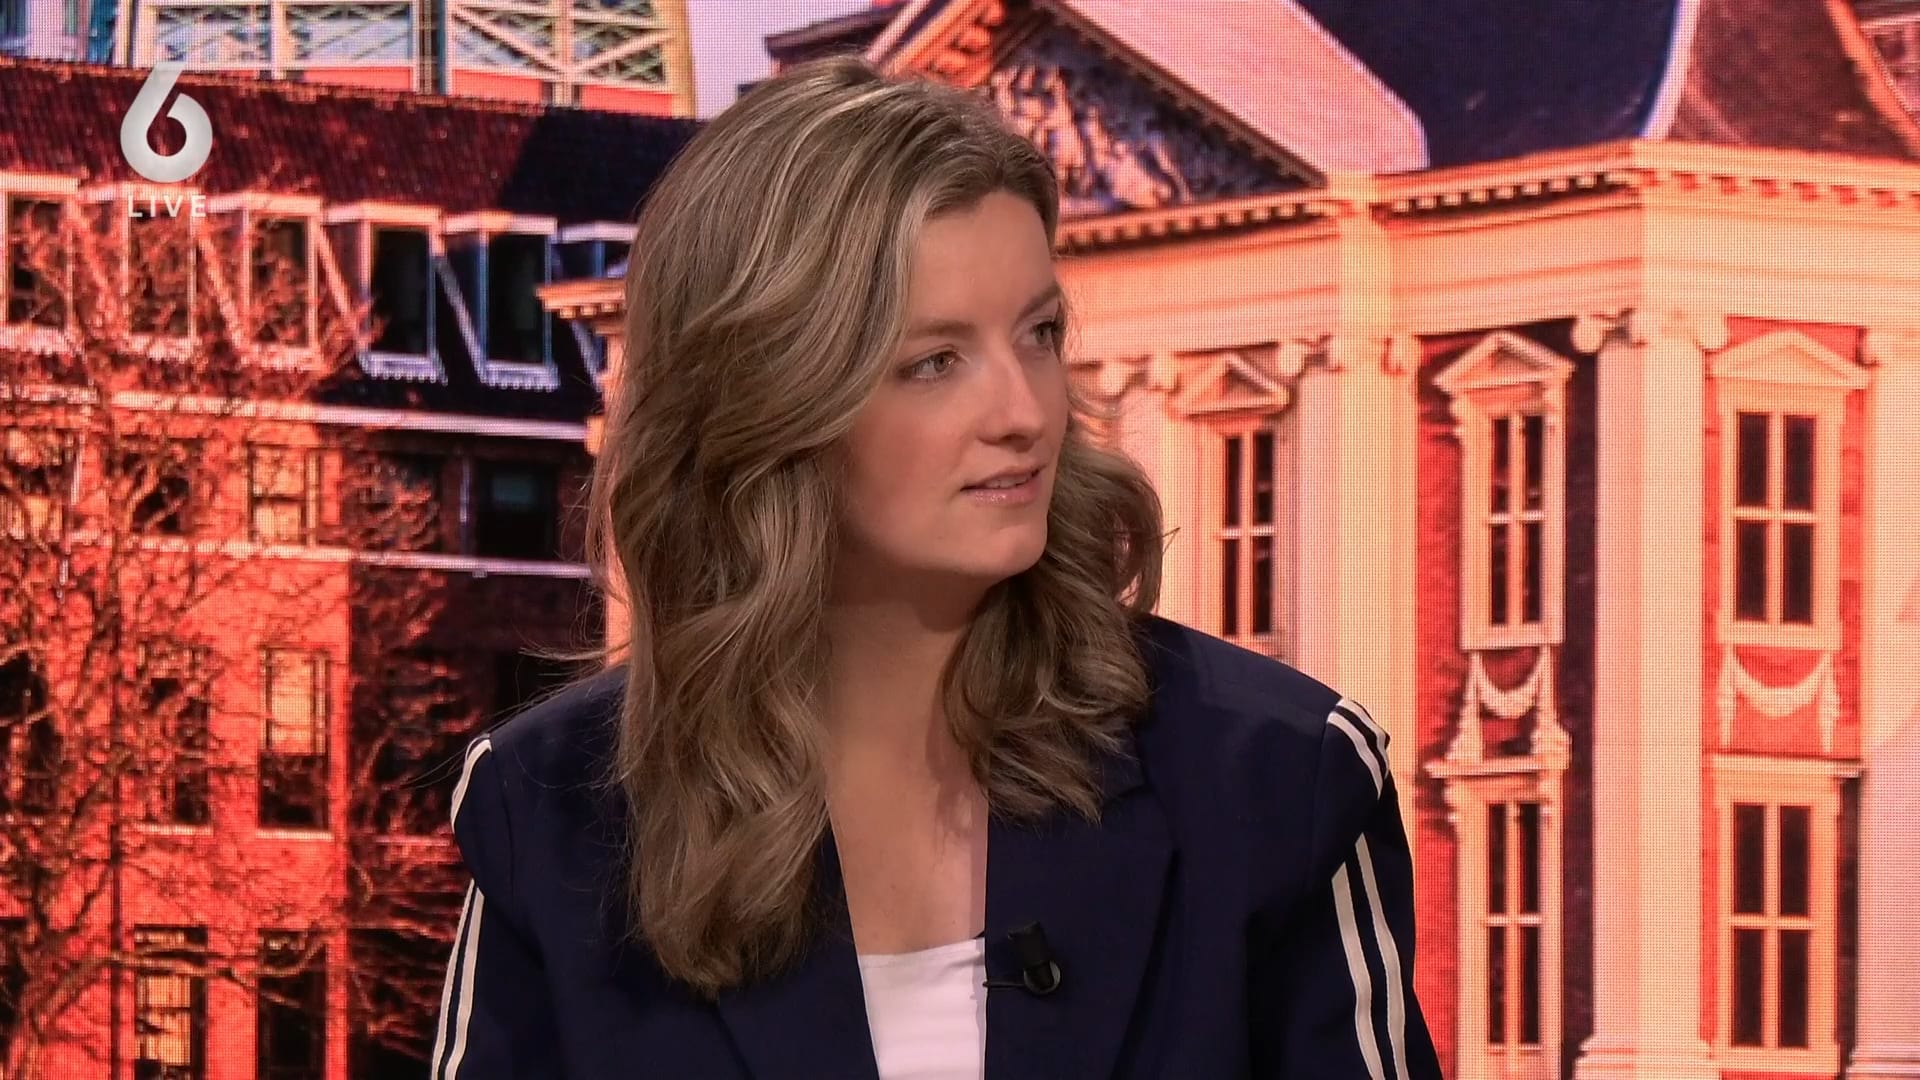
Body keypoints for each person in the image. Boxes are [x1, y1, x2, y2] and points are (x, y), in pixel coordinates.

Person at [428, 53, 1444, 1080]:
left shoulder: (1278, 780)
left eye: (1039, 334)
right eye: (935, 362)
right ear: (770, 403)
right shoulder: (548, 813)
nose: (1025, 412)